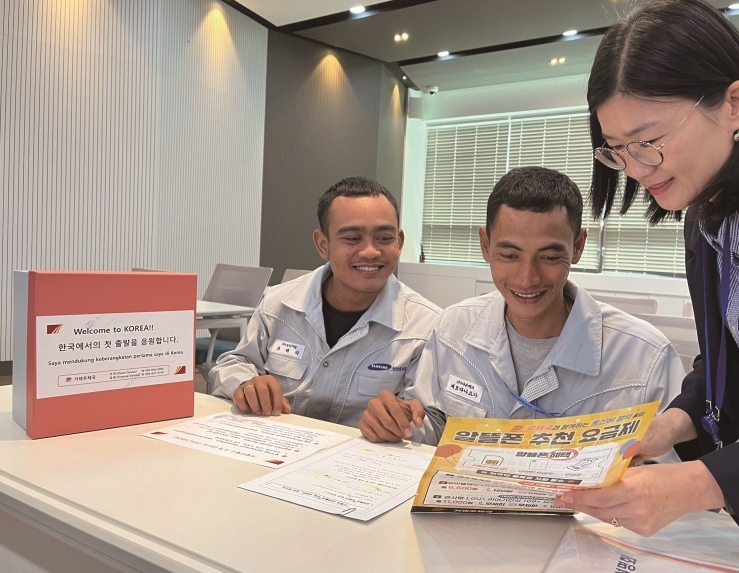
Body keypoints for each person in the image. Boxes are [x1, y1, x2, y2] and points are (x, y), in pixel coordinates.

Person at [554, 0, 739, 554]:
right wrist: (672, 424)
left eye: (649, 142)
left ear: (735, 104)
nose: (636, 170)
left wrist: (702, 482)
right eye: (618, 151)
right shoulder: (705, 217)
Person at [359, 166, 686, 450]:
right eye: (510, 255)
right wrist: (397, 424)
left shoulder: (644, 358)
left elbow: (669, 477)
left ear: (578, 246)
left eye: (549, 256)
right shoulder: (453, 330)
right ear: (485, 245)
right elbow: (431, 426)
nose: (527, 278)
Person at [209, 177, 441, 427]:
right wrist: (244, 384)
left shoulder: (426, 327)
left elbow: (430, 420)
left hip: (359, 459)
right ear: (323, 244)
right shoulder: (279, 304)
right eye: (352, 238)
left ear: (400, 241)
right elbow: (233, 363)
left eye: (385, 238)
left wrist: (404, 421)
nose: (371, 251)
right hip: (274, 448)